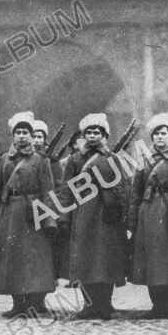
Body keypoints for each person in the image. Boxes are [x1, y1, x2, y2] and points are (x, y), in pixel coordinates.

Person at [0, 112, 58, 318]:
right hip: (8, 214)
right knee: (12, 260)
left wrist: (49, 219)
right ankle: (17, 303)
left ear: (32, 135)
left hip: (32, 214)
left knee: (32, 260)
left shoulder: (40, 160)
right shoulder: (3, 159)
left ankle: (33, 302)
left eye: (26, 132)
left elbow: (48, 191)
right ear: (12, 135)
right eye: (18, 132)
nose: (22, 136)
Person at [57, 113, 128, 320]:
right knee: (85, 260)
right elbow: (66, 190)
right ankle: (89, 305)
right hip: (83, 213)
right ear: (83, 135)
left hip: (107, 214)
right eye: (89, 132)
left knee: (105, 260)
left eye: (97, 132)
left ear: (104, 135)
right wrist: (64, 216)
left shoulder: (112, 158)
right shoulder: (75, 159)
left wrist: (119, 209)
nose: (93, 135)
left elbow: (122, 185)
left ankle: (105, 304)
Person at [127, 113, 168, 318]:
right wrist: (132, 221)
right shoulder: (143, 161)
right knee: (153, 261)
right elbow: (135, 193)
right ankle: (158, 305)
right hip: (148, 213)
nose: (159, 138)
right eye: (156, 134)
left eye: (164, 134)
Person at [32, 118, 66, 300]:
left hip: (46, 212)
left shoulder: (52, 162)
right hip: (26, 212)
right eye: (34, 136)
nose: (37, 140)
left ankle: (41, 298)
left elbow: (59, 189)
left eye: (40, 137)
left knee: (45, 258)